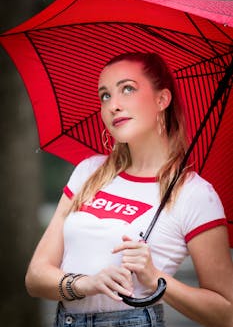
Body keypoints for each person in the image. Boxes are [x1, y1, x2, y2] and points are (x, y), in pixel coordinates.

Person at [25, 52, 233, 327]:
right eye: (105, 96)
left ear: (162, 100)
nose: (113, 105)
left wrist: (156, 280)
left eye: (127, 89)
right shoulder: (89, 172)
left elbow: (226, 313)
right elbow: (36, 277)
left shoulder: (193, 194)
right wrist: (87, 283)